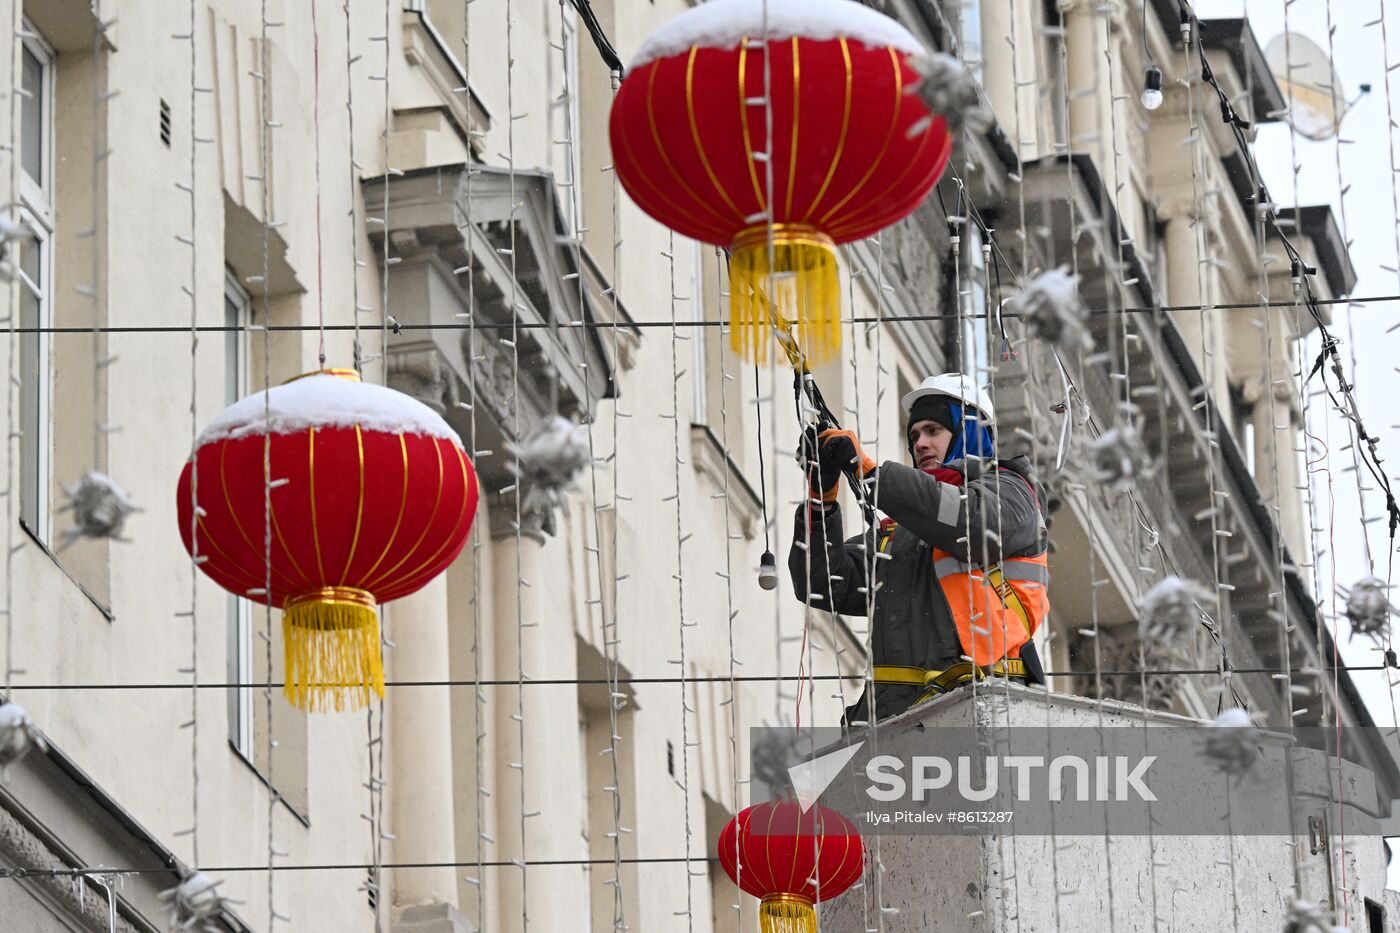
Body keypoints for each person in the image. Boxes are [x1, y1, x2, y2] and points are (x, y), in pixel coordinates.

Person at [790, 374, 1050, 724]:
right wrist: (822, 501)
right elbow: (824, 583)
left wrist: (872, 473)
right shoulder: (899, 534)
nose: (920, 444)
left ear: (969, 432)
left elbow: (969, 522)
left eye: (933, 431)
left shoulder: (1014, 493)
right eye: (914, 435)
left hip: (988, 710)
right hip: (895, 726)